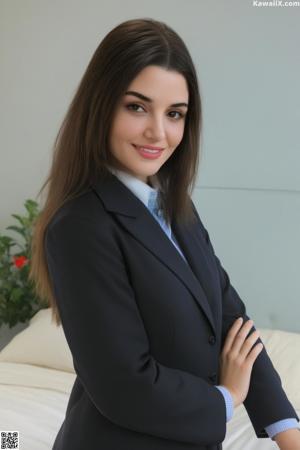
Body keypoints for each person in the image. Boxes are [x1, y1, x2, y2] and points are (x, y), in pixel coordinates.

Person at [29, 18, 300, 450]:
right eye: (137, 107)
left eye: (175, 114)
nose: (159, 132)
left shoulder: (177, 206)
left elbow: (233, 323)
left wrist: (288, 432)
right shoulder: (79, 225)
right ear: (101, 106)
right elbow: (123, 384)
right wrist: (226, 398)